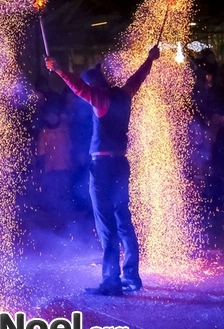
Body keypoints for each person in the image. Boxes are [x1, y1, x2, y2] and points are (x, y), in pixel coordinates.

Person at [45, 44, 159, 296]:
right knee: (123, 220)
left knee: (106, 223)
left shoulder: (100, 97)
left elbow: (78, 87)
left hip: (103, 167)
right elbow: (137, 78)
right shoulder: (124, 95)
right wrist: (149, 59)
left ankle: (111, 281)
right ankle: (132, 276)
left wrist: (59, 70)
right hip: (120, 164)